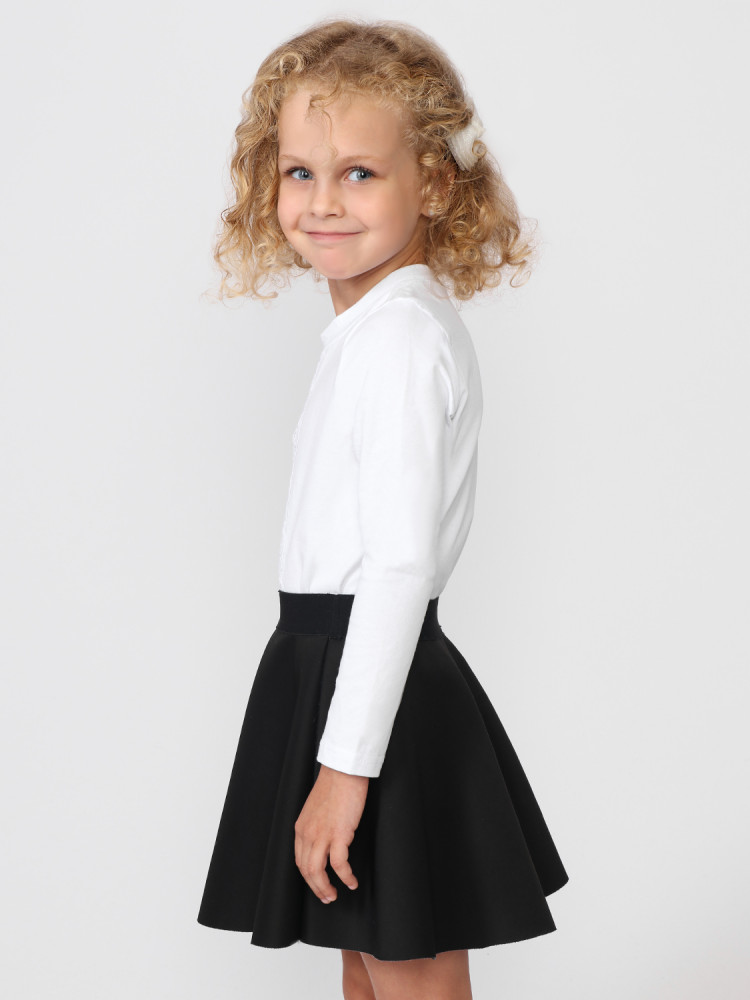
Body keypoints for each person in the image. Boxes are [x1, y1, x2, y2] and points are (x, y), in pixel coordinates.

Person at [197, 17, 569, 1000]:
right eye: (300, 172)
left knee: (407, 968)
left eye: (359, 172)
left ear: (434, 183)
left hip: (372, 686)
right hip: (333, 670)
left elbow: (399, 565)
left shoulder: (399, 341)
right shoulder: (373, 331)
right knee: (369, 963)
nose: (323, 201)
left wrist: (346, 766)